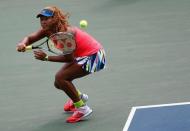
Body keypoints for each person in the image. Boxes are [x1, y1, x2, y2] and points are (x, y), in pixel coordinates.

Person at [16, 6, 106, 123]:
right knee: (58, 83)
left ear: (55, 19)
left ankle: (82, 108)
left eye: (46, 19)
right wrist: (22, 43)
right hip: (84, 55)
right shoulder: (47, 30)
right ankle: (80, 98)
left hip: (94, 57)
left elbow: (69, 58)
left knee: (61, 78)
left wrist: (46, 58)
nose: (43, 22)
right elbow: (29, 38)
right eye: (41, 19)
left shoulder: (64, 35)